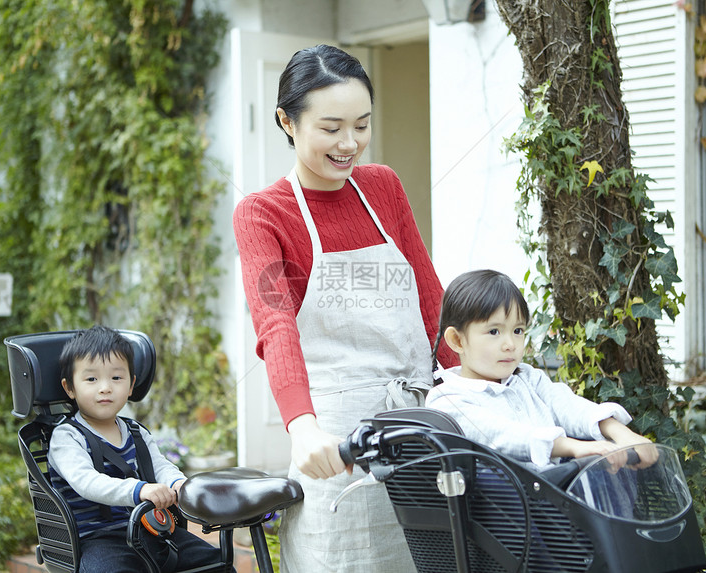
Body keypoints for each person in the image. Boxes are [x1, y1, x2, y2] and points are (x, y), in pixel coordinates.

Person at [233, 44, 457, 572]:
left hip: (419, 426)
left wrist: (487, 385)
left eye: (362, 124)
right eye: (331, 127)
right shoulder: (263, 214)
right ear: (287, 121)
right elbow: (275, 324)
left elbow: (431, 300)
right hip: (336, 442)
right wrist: (303, 428)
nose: (349, 143)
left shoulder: (383, 186)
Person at [427, 269, 657, 471]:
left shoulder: (526, 378)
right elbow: (502, 435)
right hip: (505, 511)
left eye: (518, 331)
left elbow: (566, 404)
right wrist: (572, 447)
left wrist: (618, 431)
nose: (510, 344)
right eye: (494, 332)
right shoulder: (448, 400)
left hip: (556, 496)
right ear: (457, 340)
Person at [47, 325, 225, 573]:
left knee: (214, 561)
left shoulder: (136, 432)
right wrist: (140, 490)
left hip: (148, 530)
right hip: (99, 541)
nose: (105, 387)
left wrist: (177, 483)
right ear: (70, 388)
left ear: (131, 386)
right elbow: (86, 481)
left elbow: (159, 465)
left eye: (116, 378)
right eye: (91, 379)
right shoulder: (67, 437)